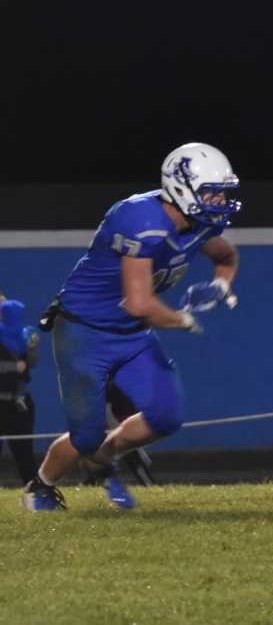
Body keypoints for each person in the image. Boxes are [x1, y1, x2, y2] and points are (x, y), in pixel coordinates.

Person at [23, 142, 242, 512]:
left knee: (166, 416)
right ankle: (40, 486)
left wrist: (220, 286)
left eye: (223, 192)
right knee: (85, 436)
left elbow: (226, 256)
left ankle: (102, 458)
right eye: (212, 192)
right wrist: (183, 319)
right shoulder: (141, 220)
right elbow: (139, 304)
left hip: (132, 334)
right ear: (181, 186)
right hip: (85, 332)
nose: (220, 201)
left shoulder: (198, 224)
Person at [0, 297, 41, 484]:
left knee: (24, 451)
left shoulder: (24, 334)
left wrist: (31, 348)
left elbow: (31, 362)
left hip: (18, 401)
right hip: (10, 399)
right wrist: (13, 366)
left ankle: (34, 489)